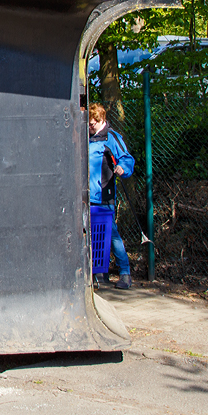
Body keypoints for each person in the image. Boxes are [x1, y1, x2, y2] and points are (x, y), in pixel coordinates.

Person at [88, 103, 136, 289]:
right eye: (89, 124)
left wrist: (123, 169)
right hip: (87, 195)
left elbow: (126, 158)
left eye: (92, 124)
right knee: (90, 233)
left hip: (104, 193)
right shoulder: (86, 136)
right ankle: (99, 274)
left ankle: (125, 273)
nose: (90, 127)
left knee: (111, 233)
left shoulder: (111, 137)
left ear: (101, 121)